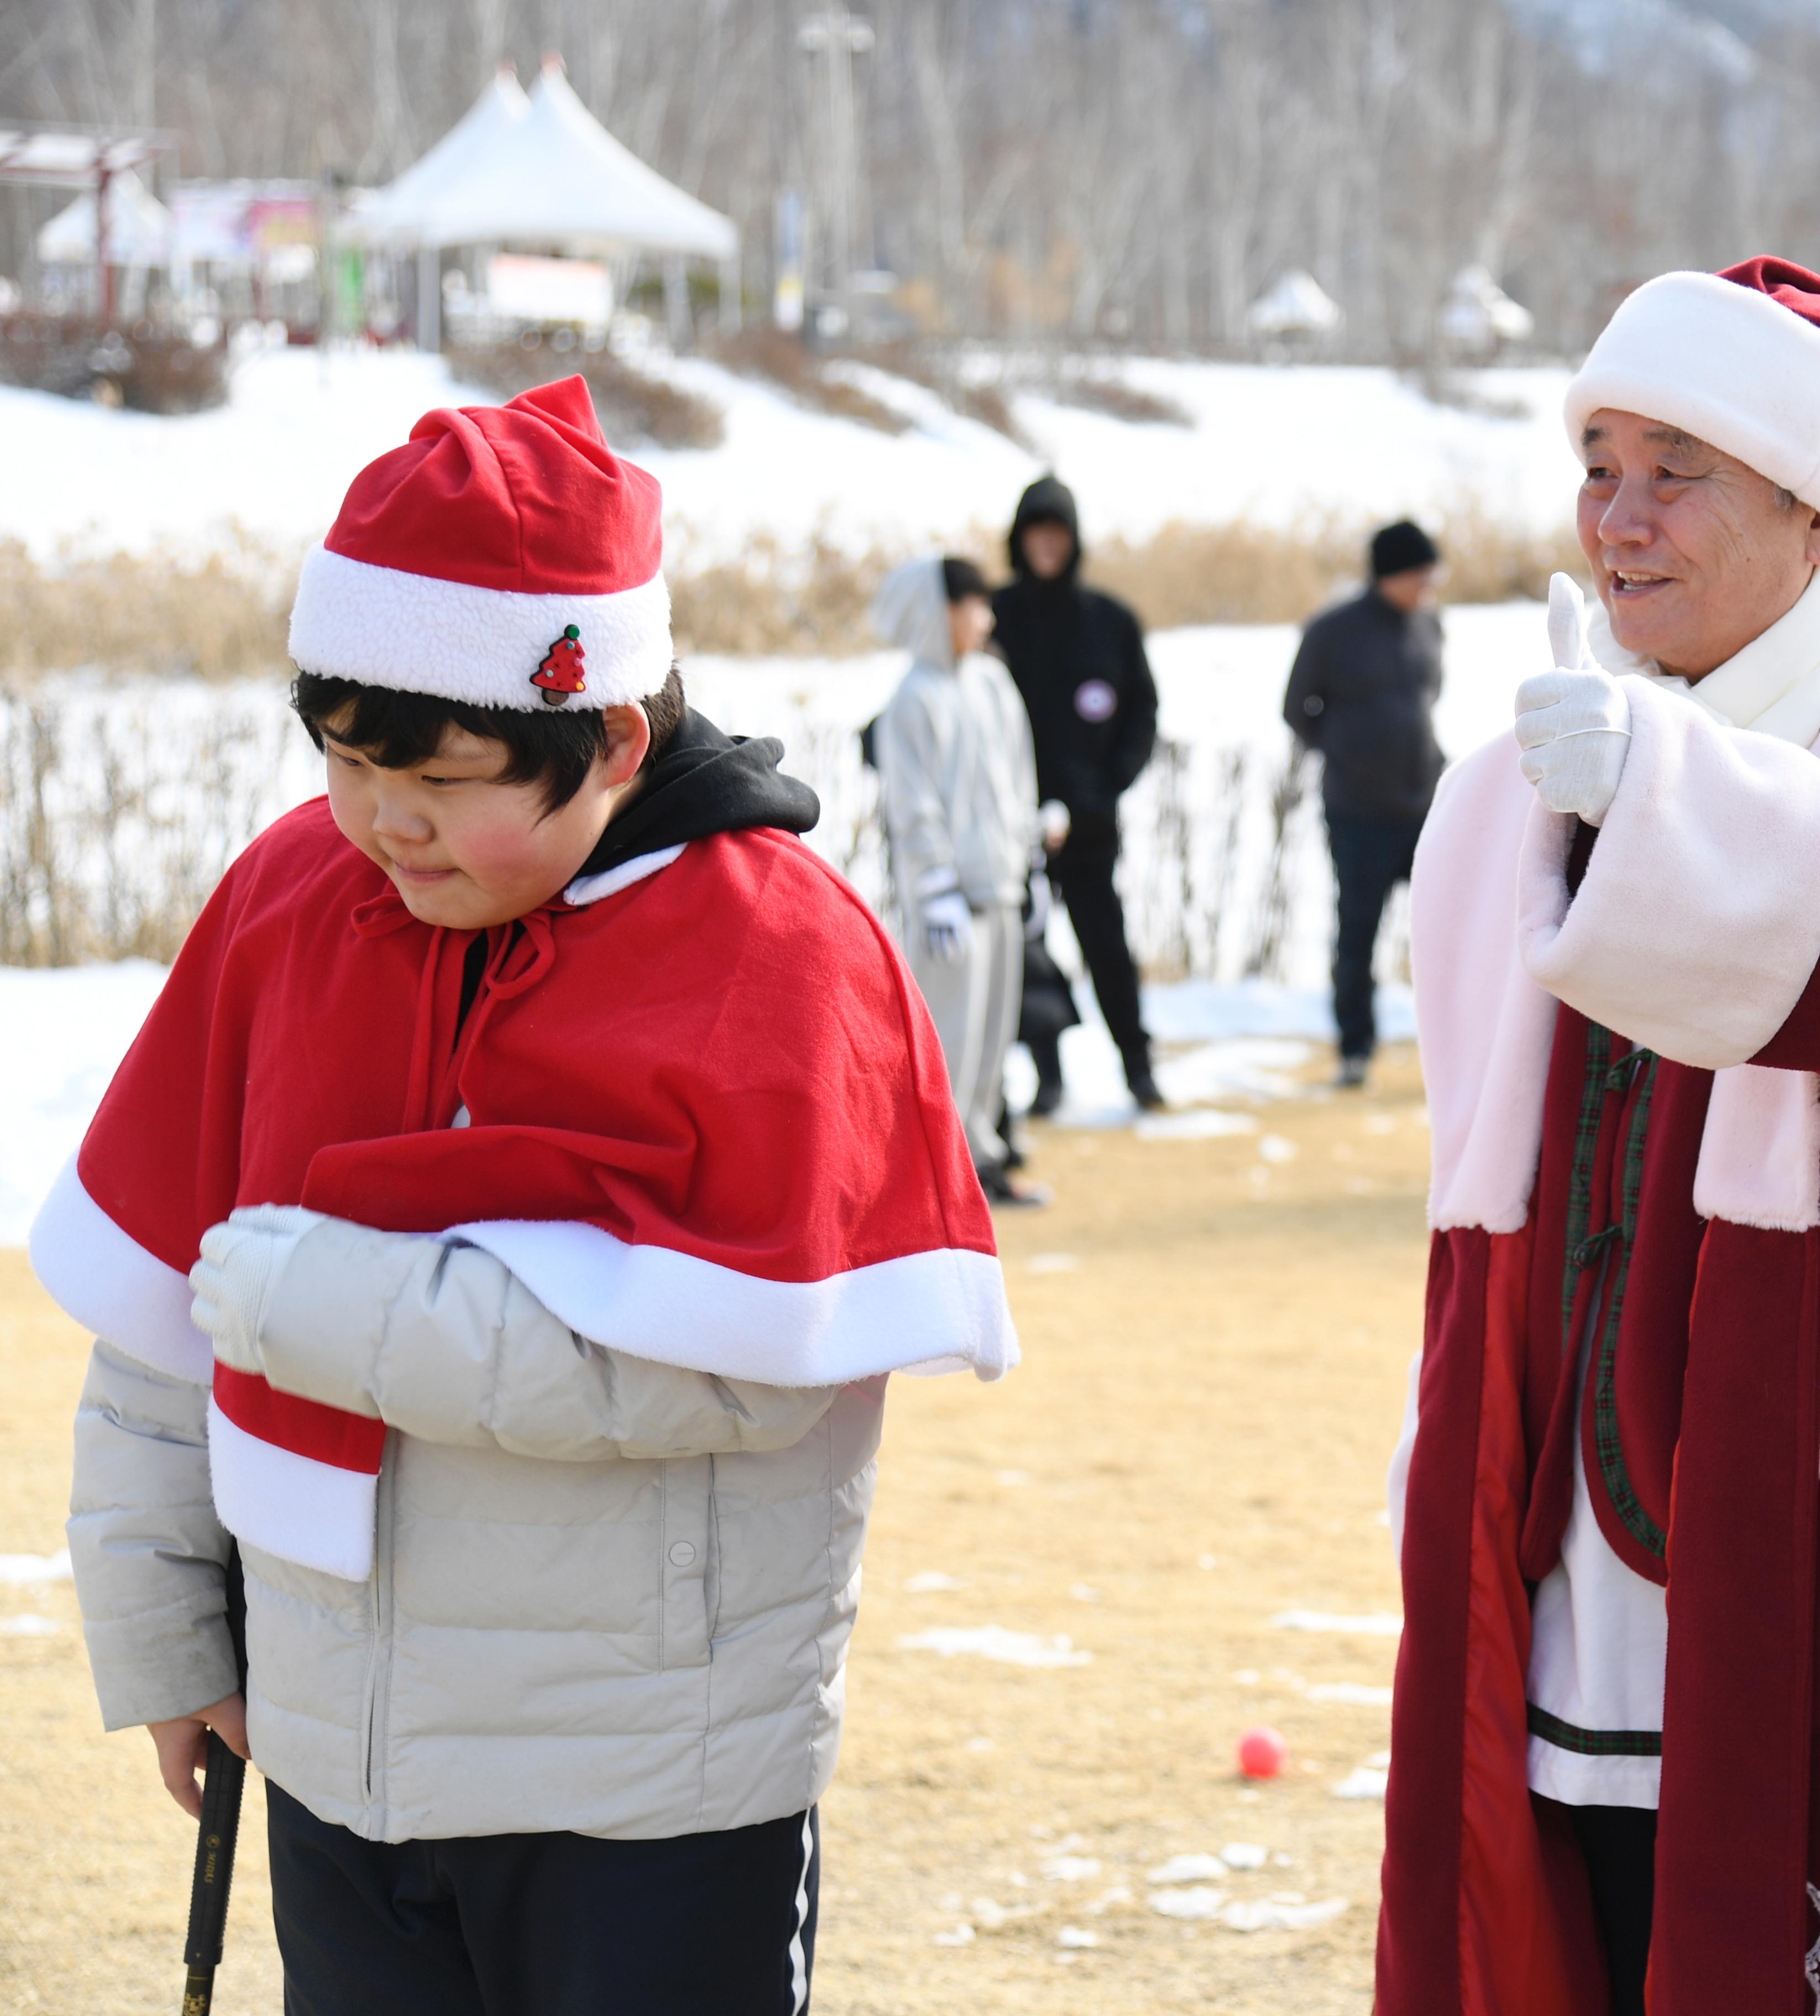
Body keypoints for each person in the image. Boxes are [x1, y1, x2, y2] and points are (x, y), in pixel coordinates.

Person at [38, 378, 1014, 2013]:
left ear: (612, 736)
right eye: (346, 755)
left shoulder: (774, 952)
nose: (381, 816)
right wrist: (169, 1637)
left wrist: (316, 1305)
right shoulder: (300, 894)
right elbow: (157, 1323)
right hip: (333, 1758)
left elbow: (735, 1366)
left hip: (648, 1795)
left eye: (441, 772)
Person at [1379, 261, 1820, 2016]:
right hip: (1565, 1558)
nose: (1616, 518)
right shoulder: (1528, 769)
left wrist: (1661, 798)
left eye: (1674, 469)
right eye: (1595, 462)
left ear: (1812, 508)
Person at [874, 553, 1047, 1205]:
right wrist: (934, 886)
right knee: (948, 1036)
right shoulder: (912, 700)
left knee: (994, 1037)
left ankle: (981, 1161)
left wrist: (1028, 864)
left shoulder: (994, 684)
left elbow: (1019, 778)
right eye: (974, 604)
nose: (985, 618)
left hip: (999, 888)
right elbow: (912, 805)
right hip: (951, 904)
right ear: (940, 611)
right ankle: (933, 1179)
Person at [992, 474, 1162, 1113]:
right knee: (1027, 956)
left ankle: (1139, 1068)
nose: (1046, 546)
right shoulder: (995, 616)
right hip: (1012, 826)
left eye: (1057, 534)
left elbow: (1141, 712)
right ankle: (1047, 1076)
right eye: (1035, 533)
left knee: (1107, 951)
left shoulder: (1109, 621)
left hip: (1089, 826)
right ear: (1019, 540)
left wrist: (1103, 788)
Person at [1283, 518, 1447, 1089]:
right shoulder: (1333, 630)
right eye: (1420, 572)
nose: (1429, 583)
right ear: (1390, 573)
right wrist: (1346, 750)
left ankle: (1451, 1044)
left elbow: (1429, 694)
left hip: (1421, 800)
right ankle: (1355, 1047)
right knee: (1357, 930)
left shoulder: (1429, 623)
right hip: (1356, 809)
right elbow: (1296, 709)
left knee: (1444, 926)